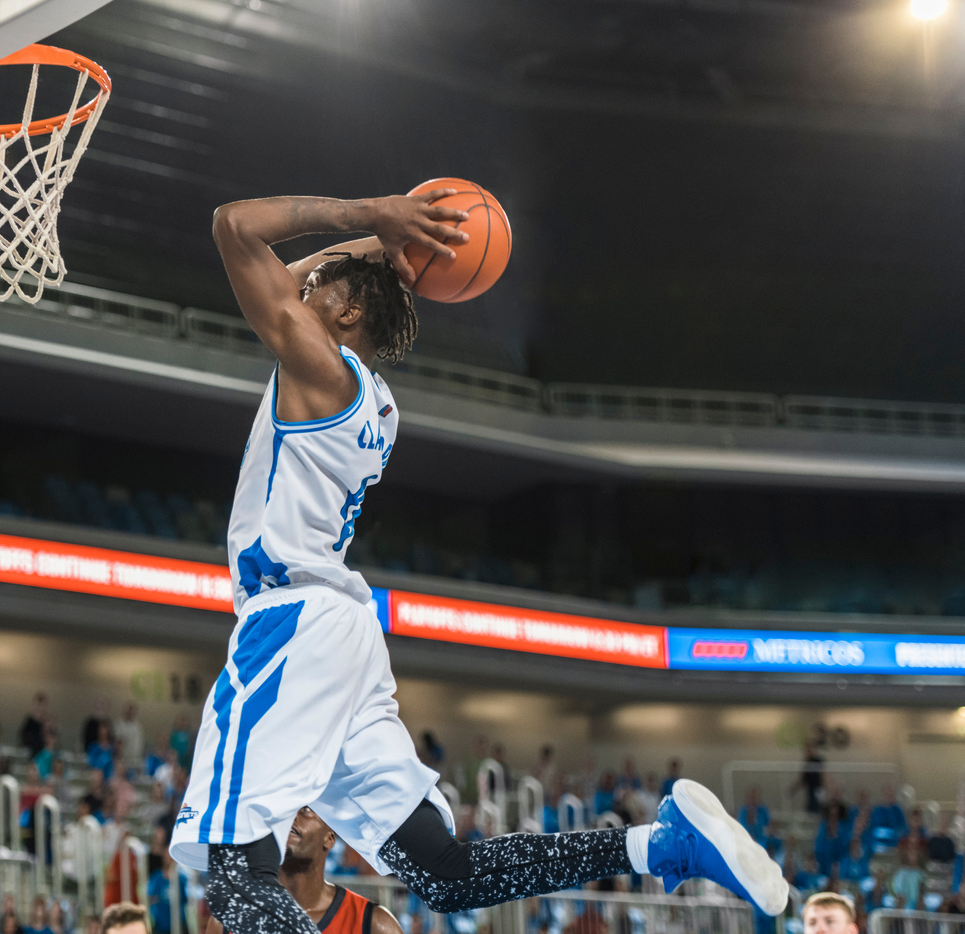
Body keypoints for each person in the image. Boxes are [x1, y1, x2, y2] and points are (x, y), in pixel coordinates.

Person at [164, 189, 789, 934]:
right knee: (445, 873)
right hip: (343, 635)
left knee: (235, 875)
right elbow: (287, 269)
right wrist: (393, 242)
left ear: (346, 315)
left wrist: (373, 213)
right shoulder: (373, 400)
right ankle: (662, 846)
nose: (303, 287)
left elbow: (234, 228)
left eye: (319, 290)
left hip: (290, 621)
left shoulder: (320, 371)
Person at [205, 807, 402, 934]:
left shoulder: (374, 924)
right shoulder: (226, 922)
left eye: (306, 810)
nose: (292, 817)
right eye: (286, 810)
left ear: (329, 838)